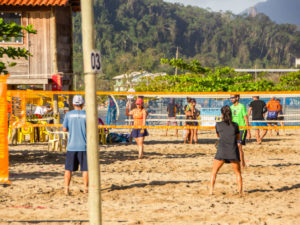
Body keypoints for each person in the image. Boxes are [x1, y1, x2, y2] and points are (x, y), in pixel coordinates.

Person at [209, 105, 245, 195]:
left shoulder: (218, 125)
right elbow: (237, 138)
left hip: (222, 150)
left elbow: (218, 136)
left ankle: (210, 191)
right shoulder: (235, 125)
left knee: (214, 172)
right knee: (238, 173)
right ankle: (240, 192)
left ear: (222, 114)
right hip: (232, 150)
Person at [63, 95, 88, 195]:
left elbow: (64, 129)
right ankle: (86, 188)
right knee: (85, 169)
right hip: (84, 145)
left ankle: (66, 189)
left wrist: (72, 129)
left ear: (73, 104)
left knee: (68, 169)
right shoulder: (87, 115)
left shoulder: (68, 115)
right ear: (82, 104)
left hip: (72, 146)